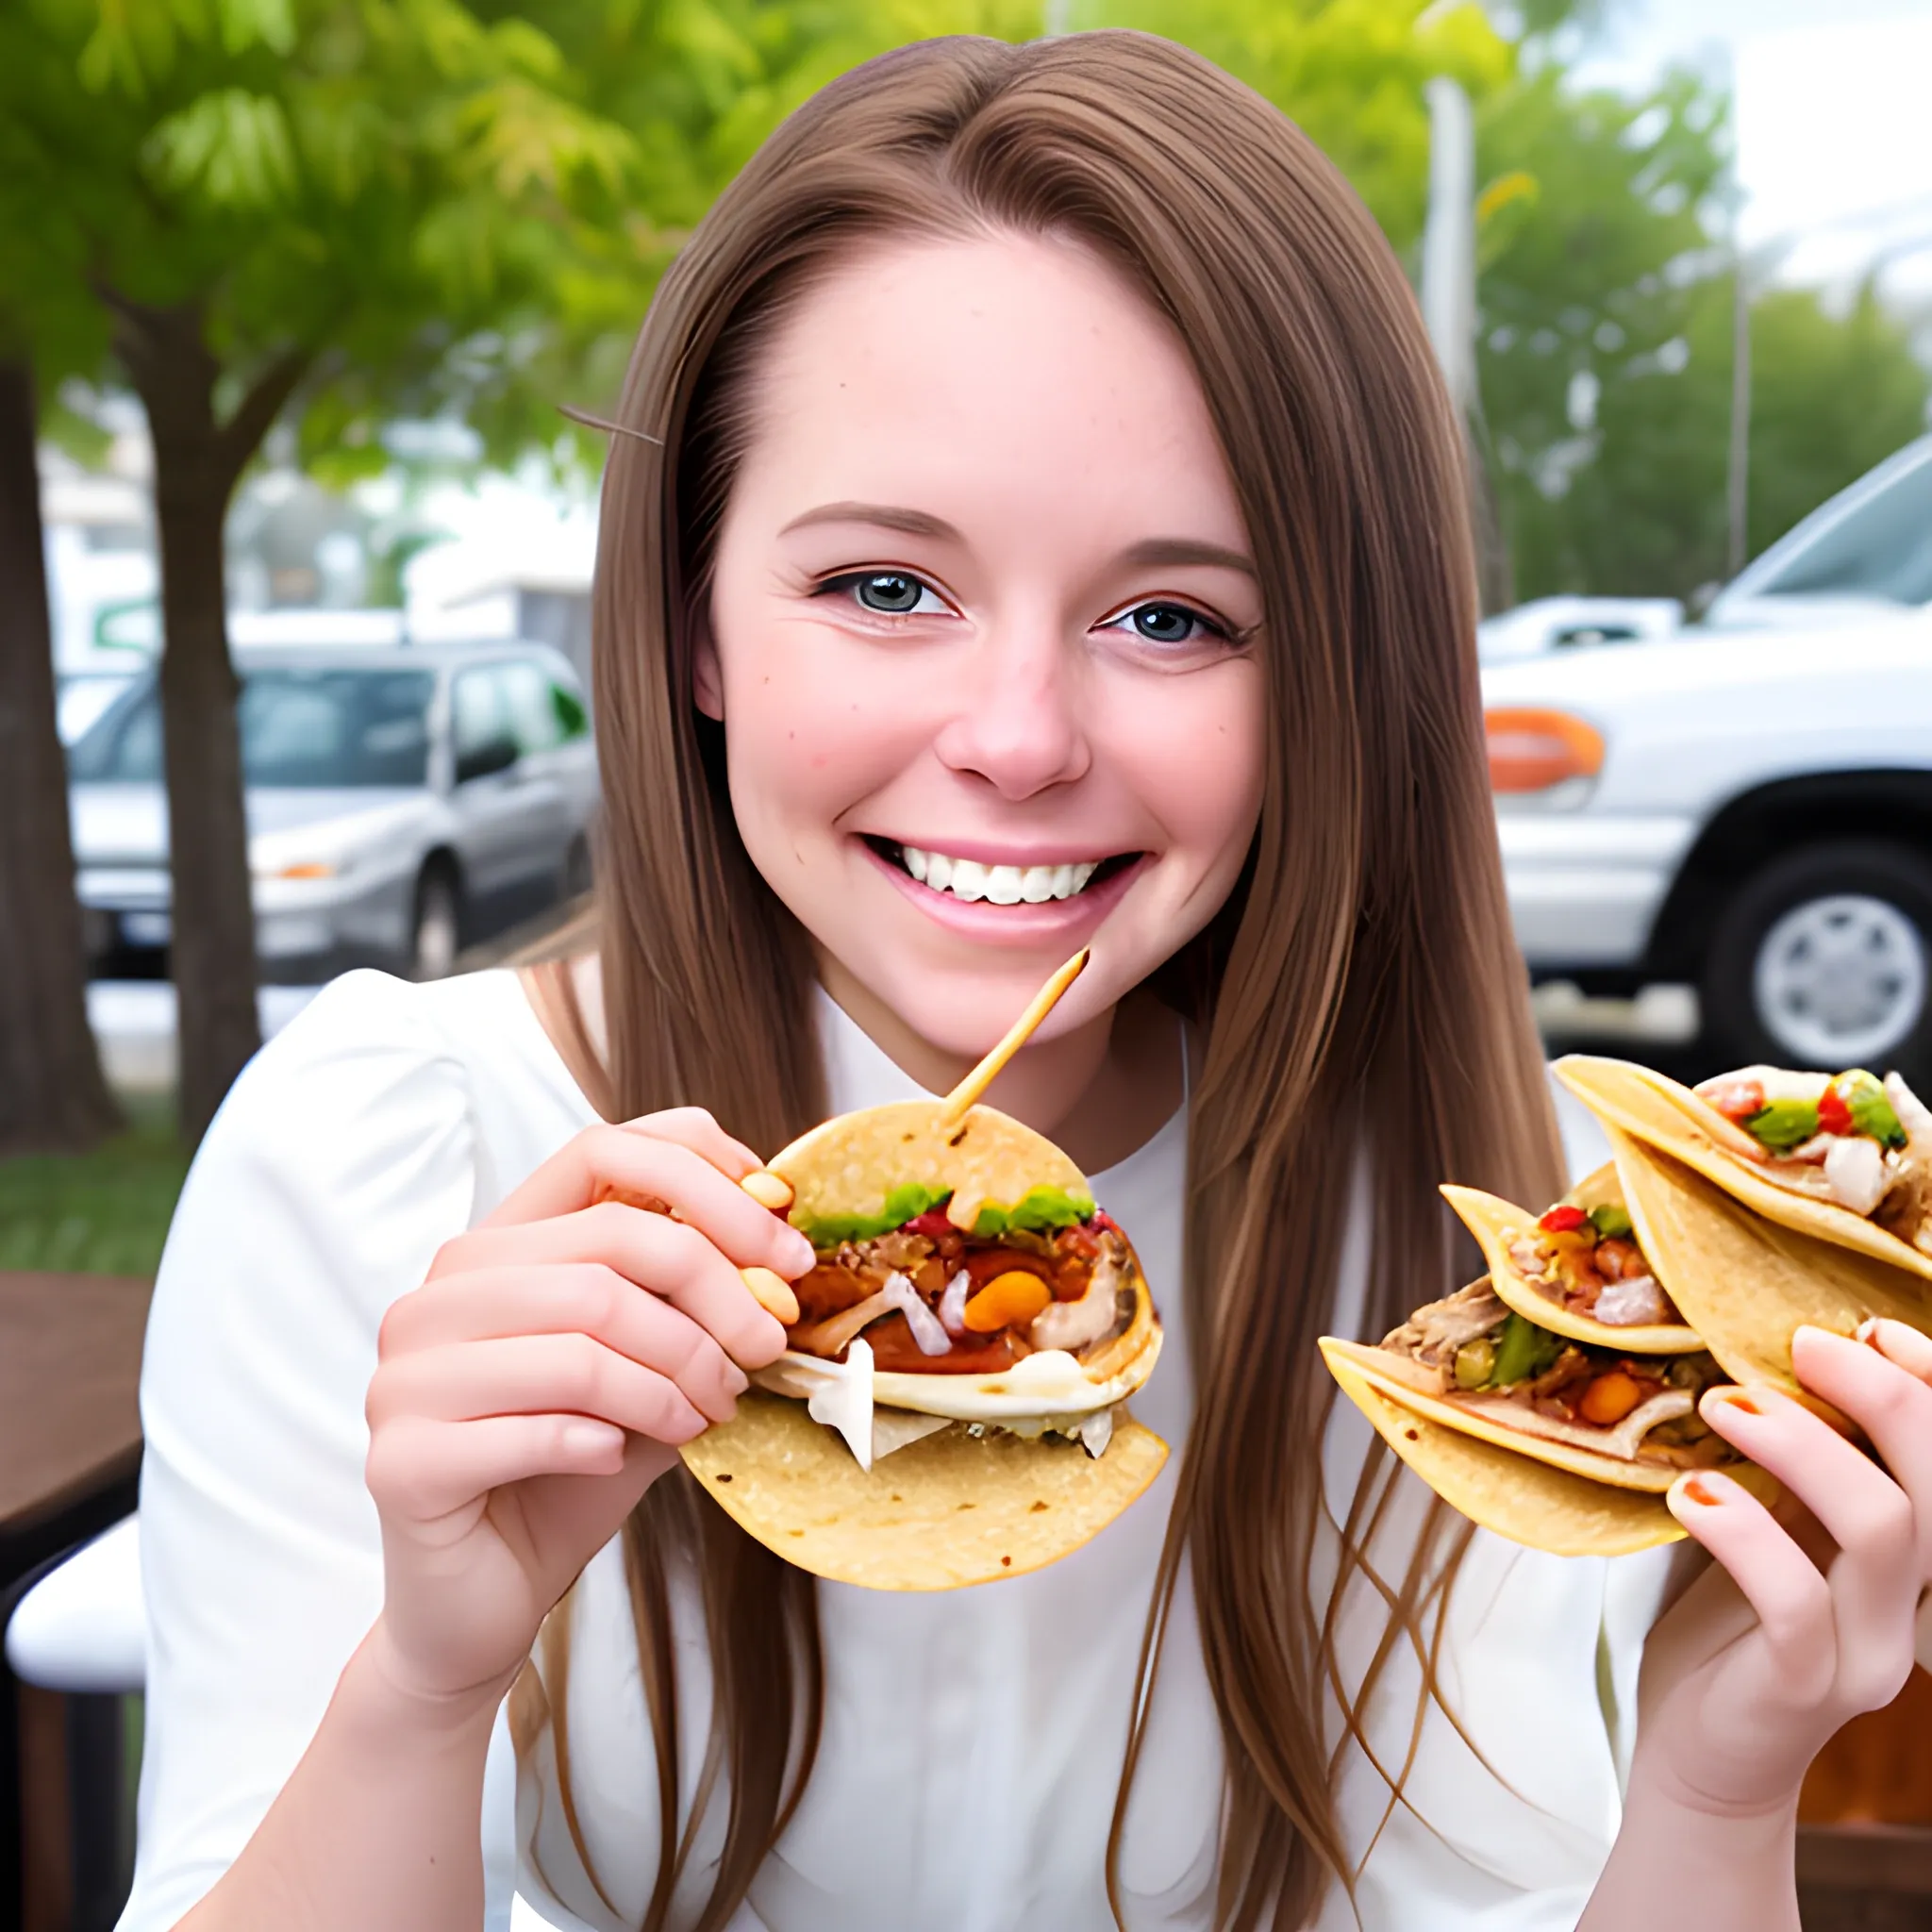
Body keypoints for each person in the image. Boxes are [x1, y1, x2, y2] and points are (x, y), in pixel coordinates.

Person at [123, 33, 1932, 1932]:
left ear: (1331, 679)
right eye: (886, 586)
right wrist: (421, 1697)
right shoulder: (386, 1164)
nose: (1014, 737)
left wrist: (1718, 1792)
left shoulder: (1519, 1306)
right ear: (692, 620)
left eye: (1171, 617)